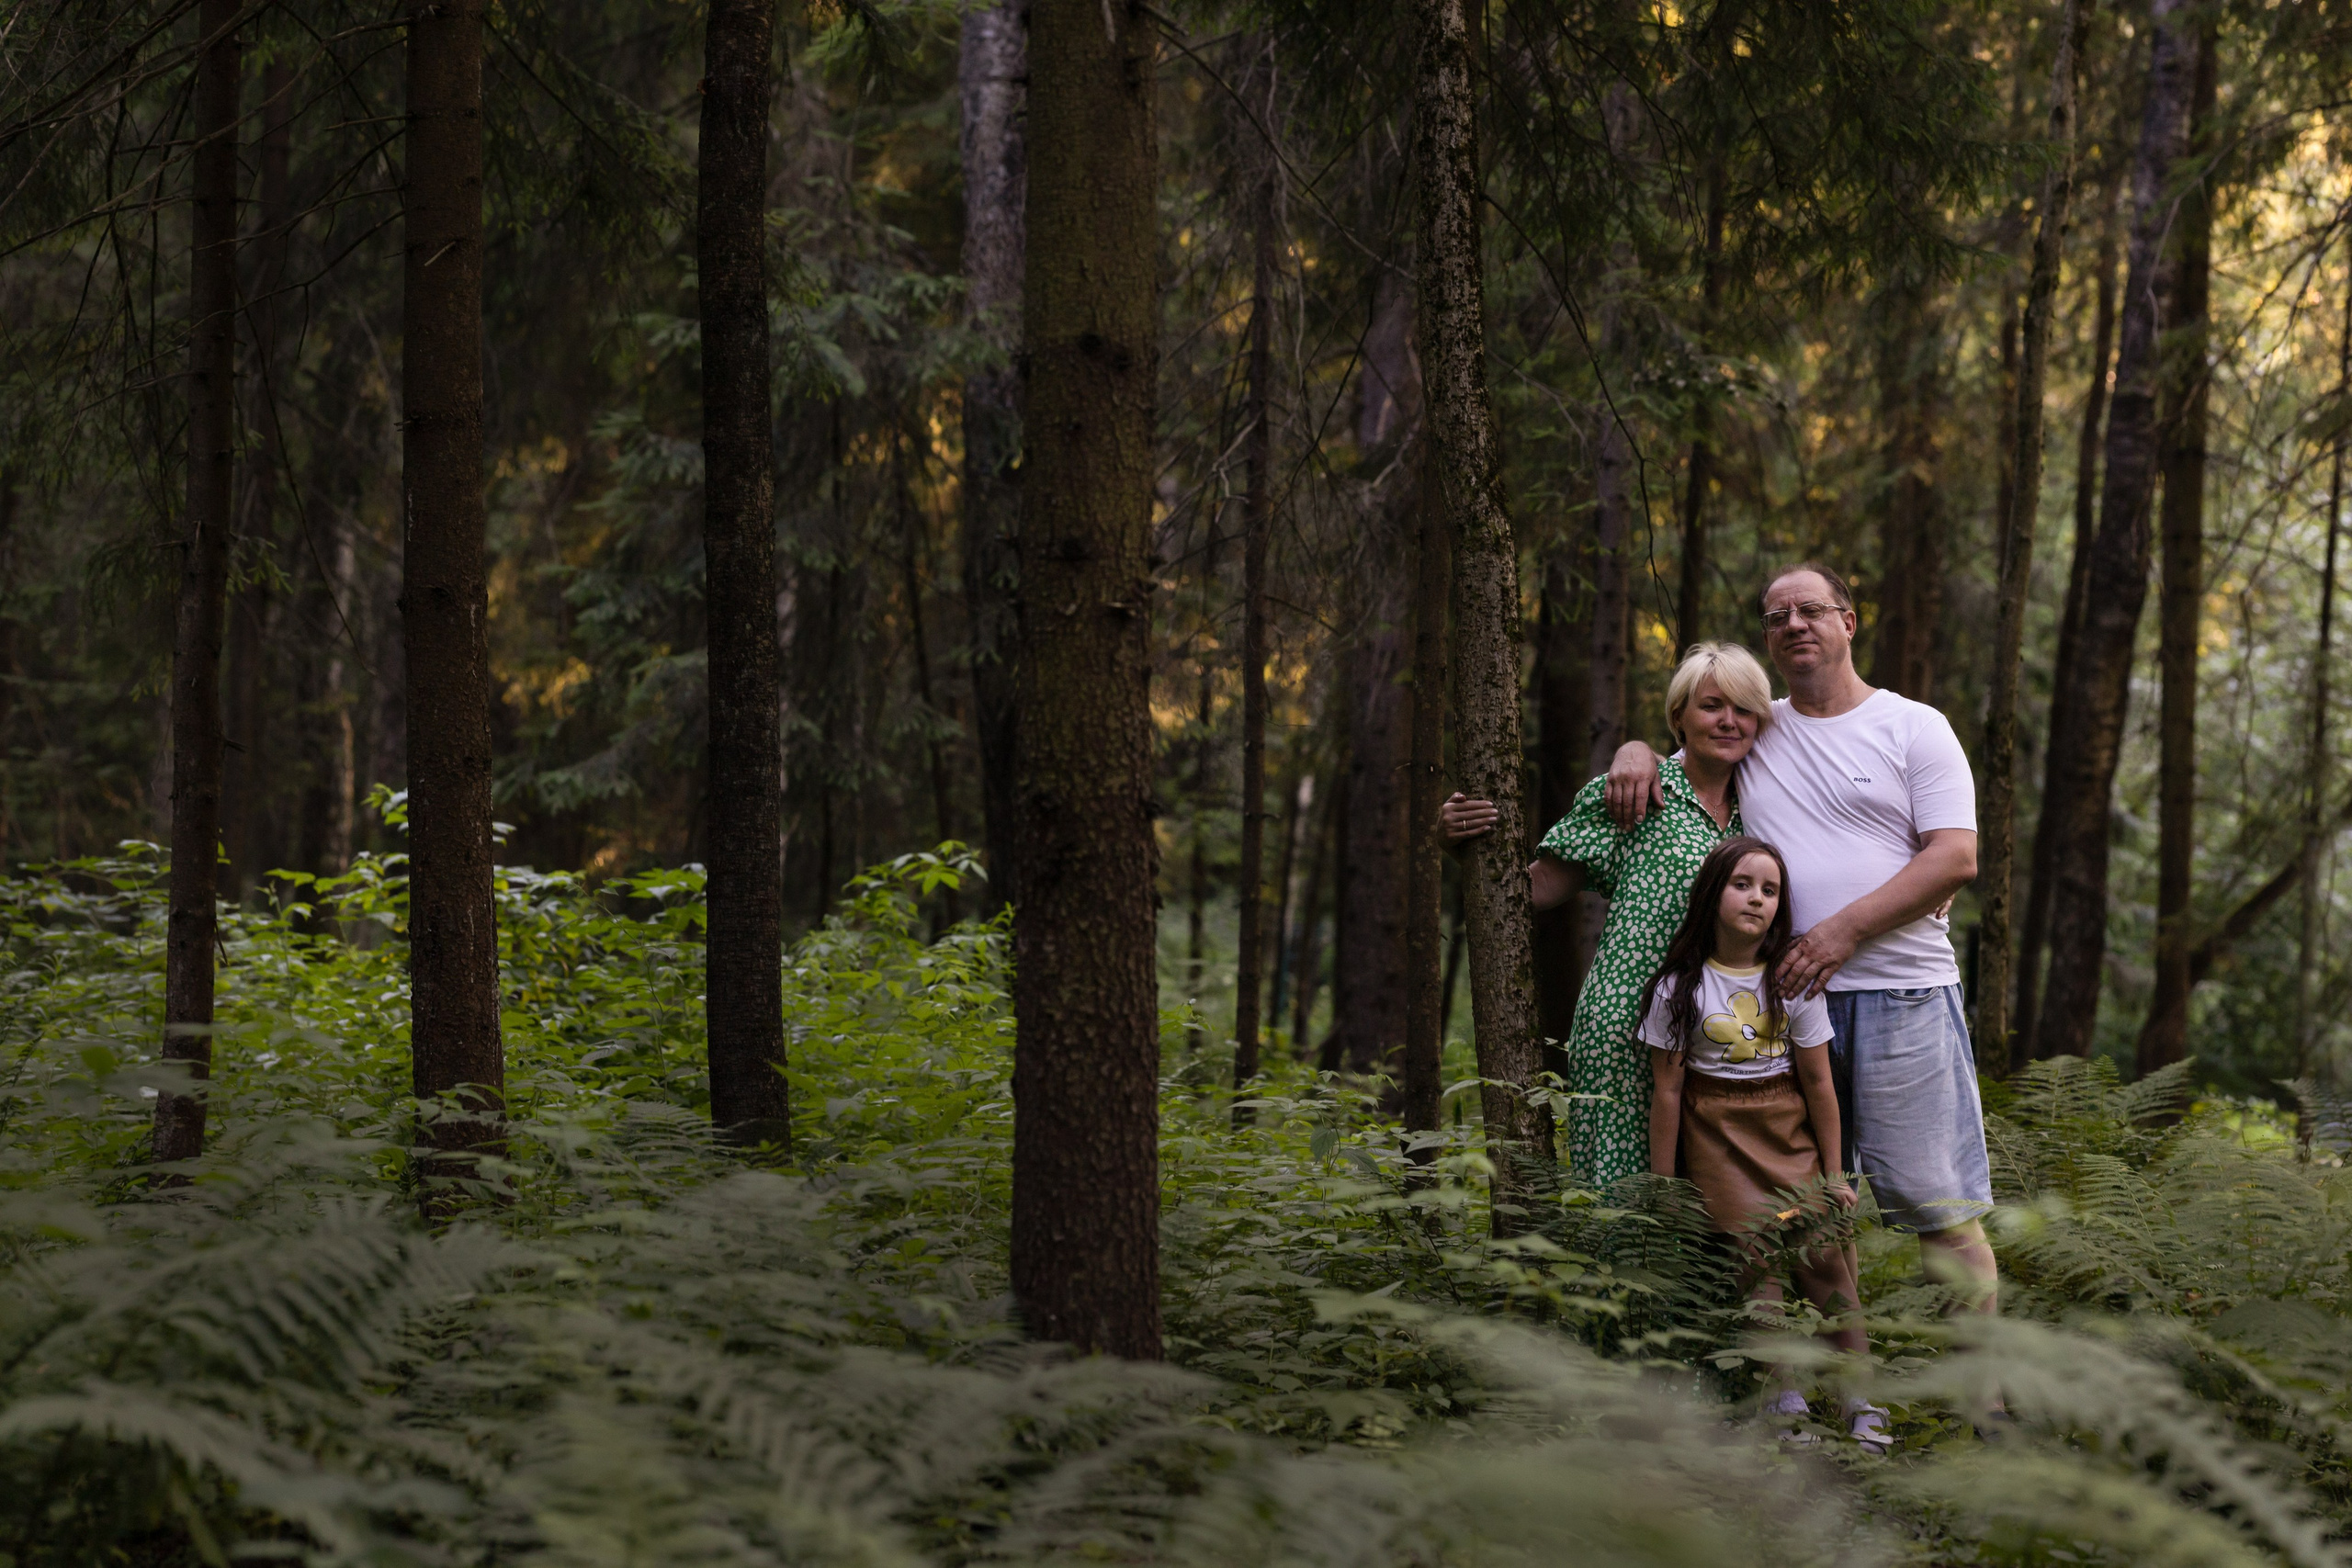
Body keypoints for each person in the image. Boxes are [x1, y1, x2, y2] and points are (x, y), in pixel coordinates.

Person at [1604, 564, 1995, 1314]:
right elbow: (1682, 760)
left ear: (1849, 621)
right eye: (1775, 616)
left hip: (1903, 995)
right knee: (1811, 1207)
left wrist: (1841, 932)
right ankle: (1842, 1372)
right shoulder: (1759, 728)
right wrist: (1633, 750)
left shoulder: (1915, 726)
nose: (1792, 624)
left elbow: (1955, 856)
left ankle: (1981, 1384)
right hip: (1781, 1008)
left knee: (1941, 1208)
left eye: (1810, 609)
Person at [1441, 642, 1771, 1186]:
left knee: (1718, 1199)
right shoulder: (1637, 793)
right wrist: (1460, 846)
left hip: (1723, 1033)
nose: (1729, 721)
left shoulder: (1763, 807)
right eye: (1712, 706)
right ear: (1679, 717)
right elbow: (1535, 888)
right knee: (1624, 1193)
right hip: (1627, 1027)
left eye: (1744, 709)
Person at [1639, 834, 1885, 1452]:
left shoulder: (1791, 981)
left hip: (1786, 1132)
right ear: (1712, 893)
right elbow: (1667, 1091)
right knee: (1755, 1267)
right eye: (1742, 884)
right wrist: (1664, 1184)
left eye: (1770, 890)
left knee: (1825, 1260)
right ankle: (1786, 1401)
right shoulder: (1678, 987)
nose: (1756, 898)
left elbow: (1819, 1083)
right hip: (1718, 1139)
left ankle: (1861, 1399)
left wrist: (1834, 1173)